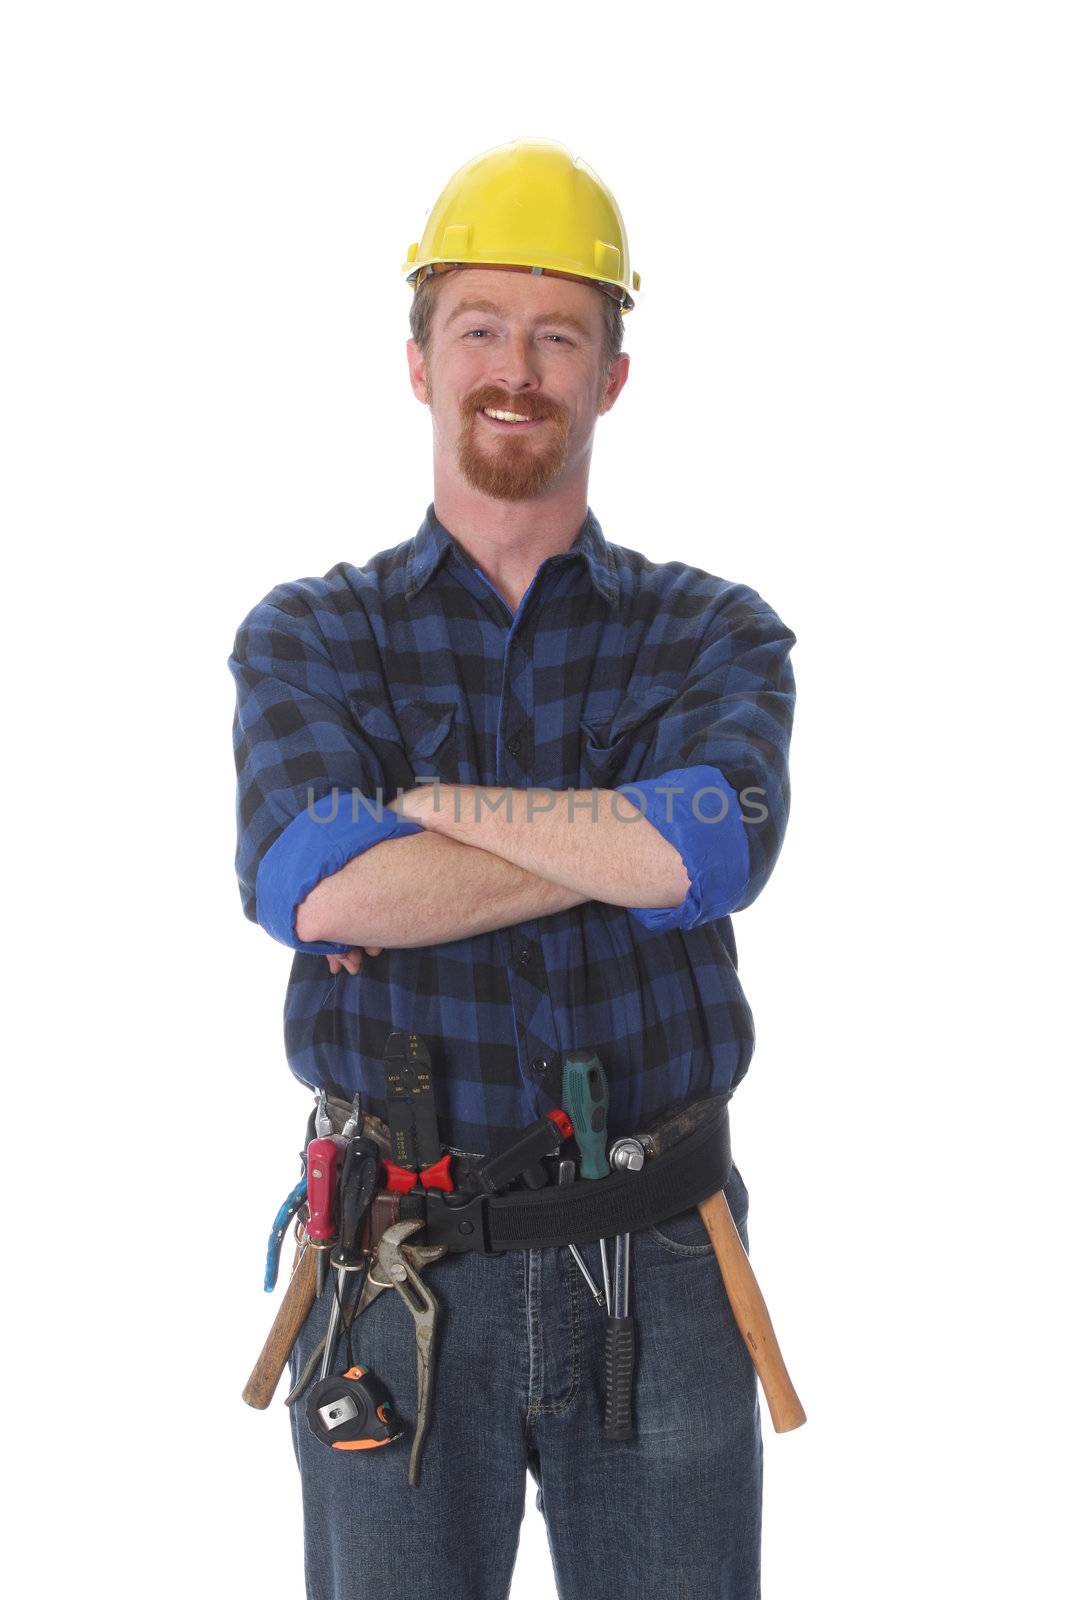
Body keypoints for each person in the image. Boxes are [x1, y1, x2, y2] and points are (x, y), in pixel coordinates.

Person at [228, 138, 796, 1600]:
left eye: (561, 336)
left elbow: (709, 849)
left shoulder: (714, 633)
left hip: (657, 1264)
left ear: (611, 377)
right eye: (479, 327)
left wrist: (419, 810)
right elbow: (318, 885)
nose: (517, 366)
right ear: (419, 361)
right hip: (393, 1272)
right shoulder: (310, 636)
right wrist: (611, 837)